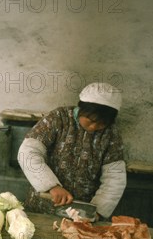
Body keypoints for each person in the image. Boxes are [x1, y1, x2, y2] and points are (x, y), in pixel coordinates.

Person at [18, 82, 127, 220]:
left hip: (80, 214)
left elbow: (115, 178)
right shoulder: (59, 118)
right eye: (90, 120)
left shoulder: (111, 134)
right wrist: (52, 186)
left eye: (101, 123)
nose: (94, 127)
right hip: (42, 206)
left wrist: (96, 212)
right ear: (81, 108)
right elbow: (28, 152)